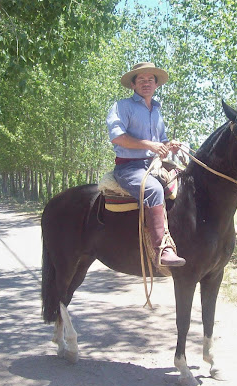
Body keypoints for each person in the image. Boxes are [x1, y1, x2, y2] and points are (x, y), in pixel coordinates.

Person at [106, 62, 186, 268]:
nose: (146, 83)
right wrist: (151, 145)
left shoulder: (157, 111)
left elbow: (162, 141)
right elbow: (118, 138)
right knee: (153, 190)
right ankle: (162, 249)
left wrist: (171, 146)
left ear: (156, 84)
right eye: (141, 79)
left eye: (150, 79)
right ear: (133, 84)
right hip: (129, 167)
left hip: (154, 165)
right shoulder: (122, 106)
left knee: (184, 182)